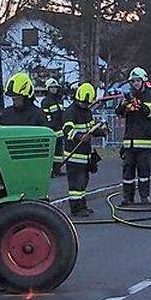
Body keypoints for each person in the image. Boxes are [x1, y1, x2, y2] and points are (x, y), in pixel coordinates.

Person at [116, 67, 151, 205]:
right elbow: (119, 112)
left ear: (143, 81)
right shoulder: (128, 96)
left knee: (144, 172)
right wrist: (124, 104)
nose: (135, 84)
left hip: (145, 142)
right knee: (128, 172)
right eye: (133, 81)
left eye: (138, 81)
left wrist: (139, 105)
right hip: (129, 142)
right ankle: (127, 198)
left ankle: (144, 197)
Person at [62, 82, 105, 217]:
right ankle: (76, 209)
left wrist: (101, 131)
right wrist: (79, 136)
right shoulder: (70, 112)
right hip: (74, 155)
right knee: (76, 185)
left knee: (83, 183)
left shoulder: (87, 112)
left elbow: (91, 129)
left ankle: (83, 205)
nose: (85, 105)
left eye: (87, 104)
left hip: (85, 155)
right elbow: (67, 130)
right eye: (83, 103)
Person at [40, 78, 65, 176]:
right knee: (51, 152)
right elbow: (46, 117)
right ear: (48, 89)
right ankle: (50, 171)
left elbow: (61, 114)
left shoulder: (59, 100)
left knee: (58, 152)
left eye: (55, 87)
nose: (54, 89)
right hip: (51, 130)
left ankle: (57, 170)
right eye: (52, 87)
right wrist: (51, 127)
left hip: (60, 130)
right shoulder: (46, 101)